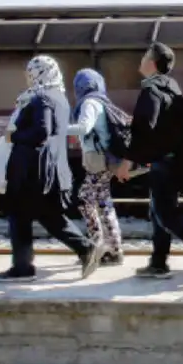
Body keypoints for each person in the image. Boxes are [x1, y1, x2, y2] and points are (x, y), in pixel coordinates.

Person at [115, 42, 183, 285]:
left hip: (164, 162)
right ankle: (158, 262)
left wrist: (127, 161)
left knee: (166, 213)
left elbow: (144, 129)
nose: (141, 60)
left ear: (152, 63)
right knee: (158, 211)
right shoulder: (172, 87)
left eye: (144, 56)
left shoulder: (151, 90)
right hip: (174, 159)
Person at [0, 55, 102, 282]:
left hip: (34, 172)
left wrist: (12, 136)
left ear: (40, 73)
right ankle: (86, 249)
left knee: (20, 216)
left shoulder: (42, 98)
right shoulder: (57, 96)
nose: (28, 77)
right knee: (48, 217)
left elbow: (42, 132)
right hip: (46, 169)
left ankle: (23, 268)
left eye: (31, 72)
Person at [68, 68, 123, 266]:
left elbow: (84, 127)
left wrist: (57, 129)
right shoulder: (101, 100)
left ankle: (96, 245)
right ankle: (112, 249)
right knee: (101, 201)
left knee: (85, 200)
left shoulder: (89, 103)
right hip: (102, 157)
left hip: (97, 158)